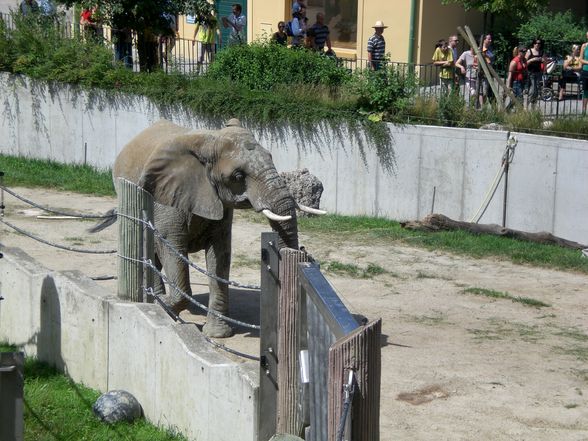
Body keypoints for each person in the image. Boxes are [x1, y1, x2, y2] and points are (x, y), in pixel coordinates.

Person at [526, 38, 546, 106]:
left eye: (539, 43)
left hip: (538, 72)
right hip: (530, 72)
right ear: (533, 44)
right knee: (532, 89)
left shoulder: (542, 52)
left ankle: (533, 105)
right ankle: (527, 104)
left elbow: (545, 61)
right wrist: (532, 60)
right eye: (536, 43)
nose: (538, 44)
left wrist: (543, 60)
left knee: (537, 90)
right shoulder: (529, 51)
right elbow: (525, 62)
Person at [478, 34, 495, 106]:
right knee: (483, 92)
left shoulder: (490, 49)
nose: (490, 40)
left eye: (491, 39)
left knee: (487, 92)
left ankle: (482, 107)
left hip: (490, 73)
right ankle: (481, 107)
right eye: (489, 39)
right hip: (484, 73)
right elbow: (487, 61)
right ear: (484, 40)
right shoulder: (481, 49)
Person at [581, 32, 588, 114]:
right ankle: (584, 111)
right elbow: (581, 59)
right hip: (586, 71)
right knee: (586, 91)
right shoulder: (584, 46)